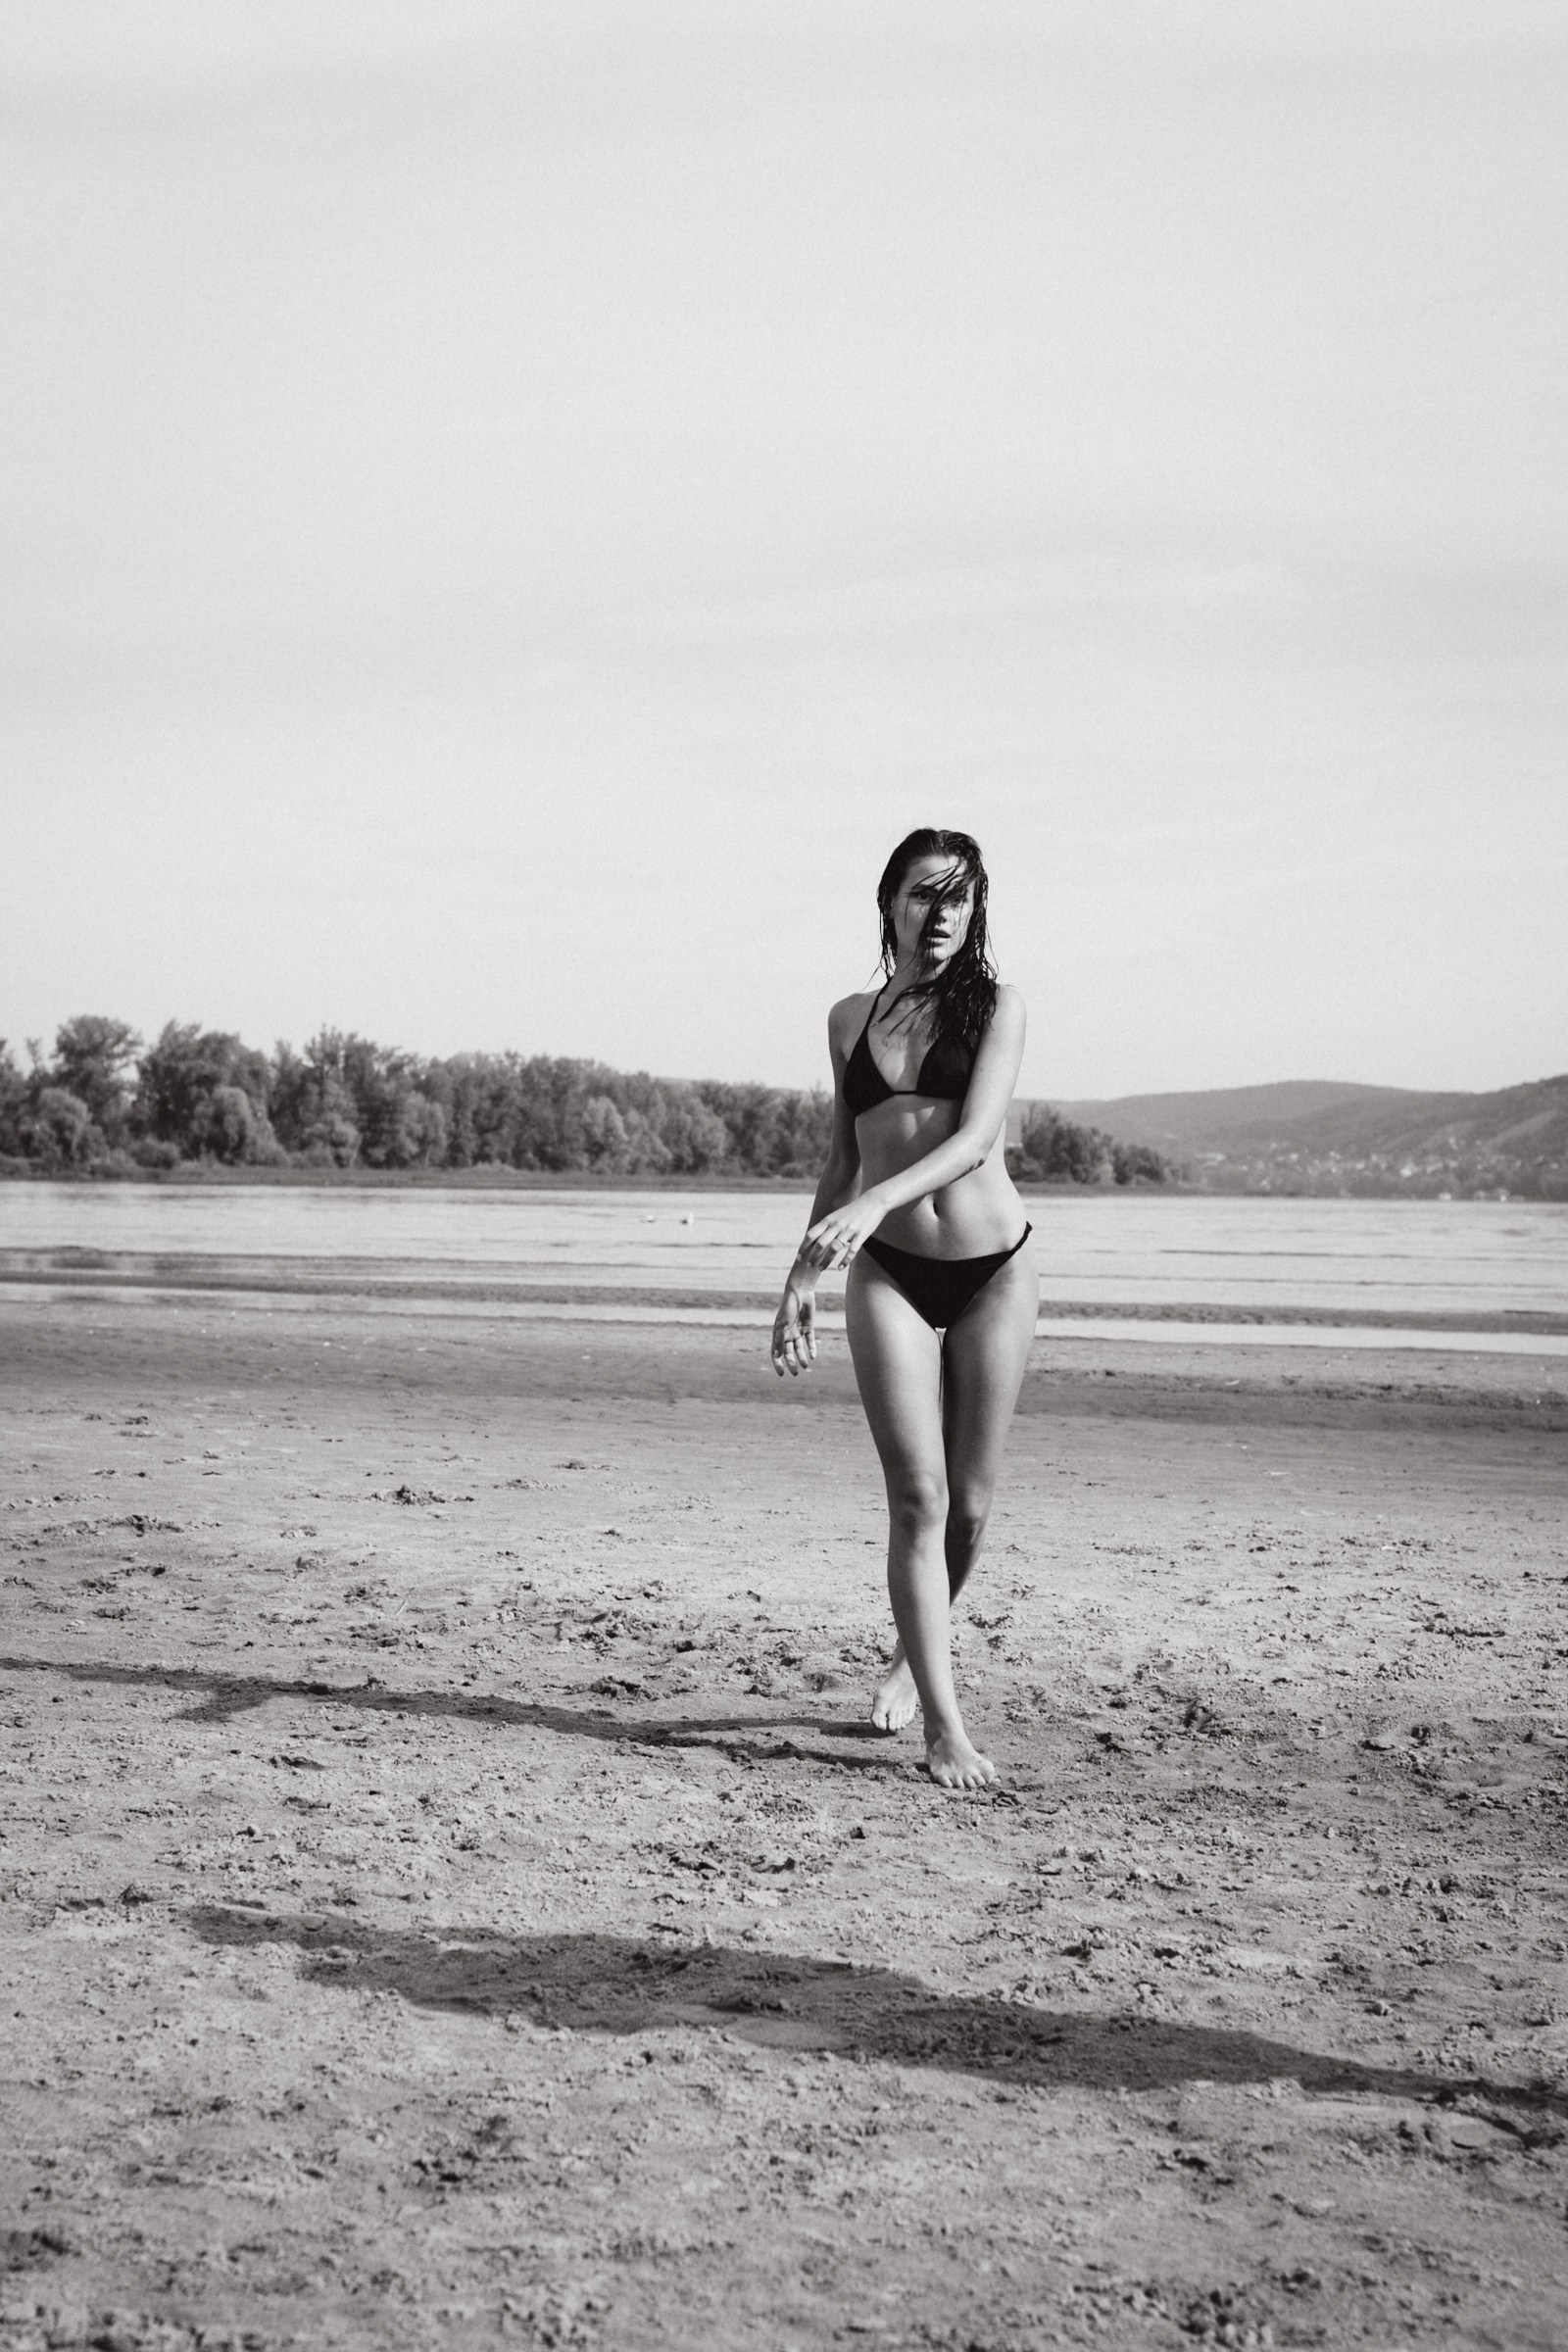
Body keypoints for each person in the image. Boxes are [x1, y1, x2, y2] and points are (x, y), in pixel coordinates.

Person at [771, 828, 1038, 1790]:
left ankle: (905, 1661)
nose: (942, 915)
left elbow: (975, 1140)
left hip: (991, 1273)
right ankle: (943, 1725)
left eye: (959, 898)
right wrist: (800, 1275)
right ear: (888, 901)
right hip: (885, 1271)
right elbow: (842, 1160)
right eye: (925, 894)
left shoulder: (997, 1007)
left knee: (969, 1507)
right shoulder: (849, 1019)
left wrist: (874, 1201)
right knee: (919, 1498)